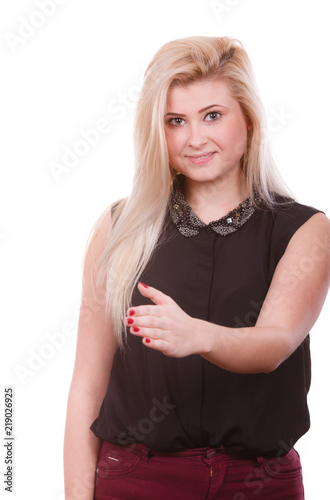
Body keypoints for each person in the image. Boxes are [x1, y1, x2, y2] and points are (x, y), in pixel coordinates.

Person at [63, 36, 330, 500]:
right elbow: (88, 382)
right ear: (157, 132)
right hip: (136, 482)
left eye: (212, 115)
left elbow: (274, 343)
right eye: (175, 121)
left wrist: (198, 335)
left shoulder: (305, 229)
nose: (195, 138)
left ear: (247, 119)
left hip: (260, 484)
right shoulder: (118, 229)